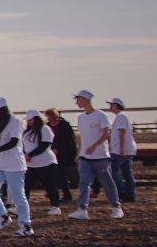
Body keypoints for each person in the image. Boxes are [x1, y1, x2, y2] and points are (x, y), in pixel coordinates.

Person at [70, 90, 125, 220]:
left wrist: (94, 146)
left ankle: (116, 207)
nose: (76, 102)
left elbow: (106, 134)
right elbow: (81, 137)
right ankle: (82, 209)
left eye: (78, 99)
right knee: (83, 183)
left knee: (107, 182)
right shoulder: (81, 117)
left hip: (100, 156)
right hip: (85, 157)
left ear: (85, 99)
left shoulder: (101, 115)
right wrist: (80, 152)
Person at [0, 97, 33, 236]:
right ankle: (3, 216)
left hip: (14, 164)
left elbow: (14, 142)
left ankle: (26, 225)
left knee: (18, 196)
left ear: (3, 109)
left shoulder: (15, 122)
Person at [23, 109, 62, 216]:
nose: (28, 122)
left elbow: (45, 145)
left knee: (50, 185)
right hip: (31, 165)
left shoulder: (45, 129)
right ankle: (22, 207)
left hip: (47, 163)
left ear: (36, 119)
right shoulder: (27, 132)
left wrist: (30, 155)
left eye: (30, 119)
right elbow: (24, 146)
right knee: (26, 186)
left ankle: (55, 207)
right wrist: (25, 155)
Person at [107, 97, 138, 203]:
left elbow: (121, 133)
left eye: (111, 105)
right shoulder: (123, 116)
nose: (110, 107)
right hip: (127, 149)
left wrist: (121, 149)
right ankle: (130, 194)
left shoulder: (120, 117)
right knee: (127, 172)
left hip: (120, 150)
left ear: (116, 105)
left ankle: (122, 192)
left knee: (113, 171)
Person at [46, 108, 77, 203]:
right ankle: (54, 192)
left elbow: (70, 139)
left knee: (61, 174)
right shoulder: (47, 126)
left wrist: (58, 149)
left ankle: (66, 194)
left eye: (50, 116)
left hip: (64, 153)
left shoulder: (64, 125)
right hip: (52, 153)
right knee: (54, 175)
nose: (48, 118)